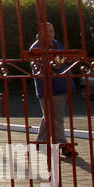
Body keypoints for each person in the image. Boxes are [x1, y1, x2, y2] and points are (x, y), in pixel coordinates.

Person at [29, 22, 76, 159]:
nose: (50, 33)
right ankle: (63, 145)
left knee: (49, 117)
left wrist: (58, 61)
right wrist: (58, 61)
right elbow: (46, 65)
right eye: (47, 31)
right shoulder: (36, 47)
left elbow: (62, 59)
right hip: (48, 87)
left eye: (52, 31)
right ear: (41, 33)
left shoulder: (56, 44)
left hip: (61, 84)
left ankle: (41, 141)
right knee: (56, 118)